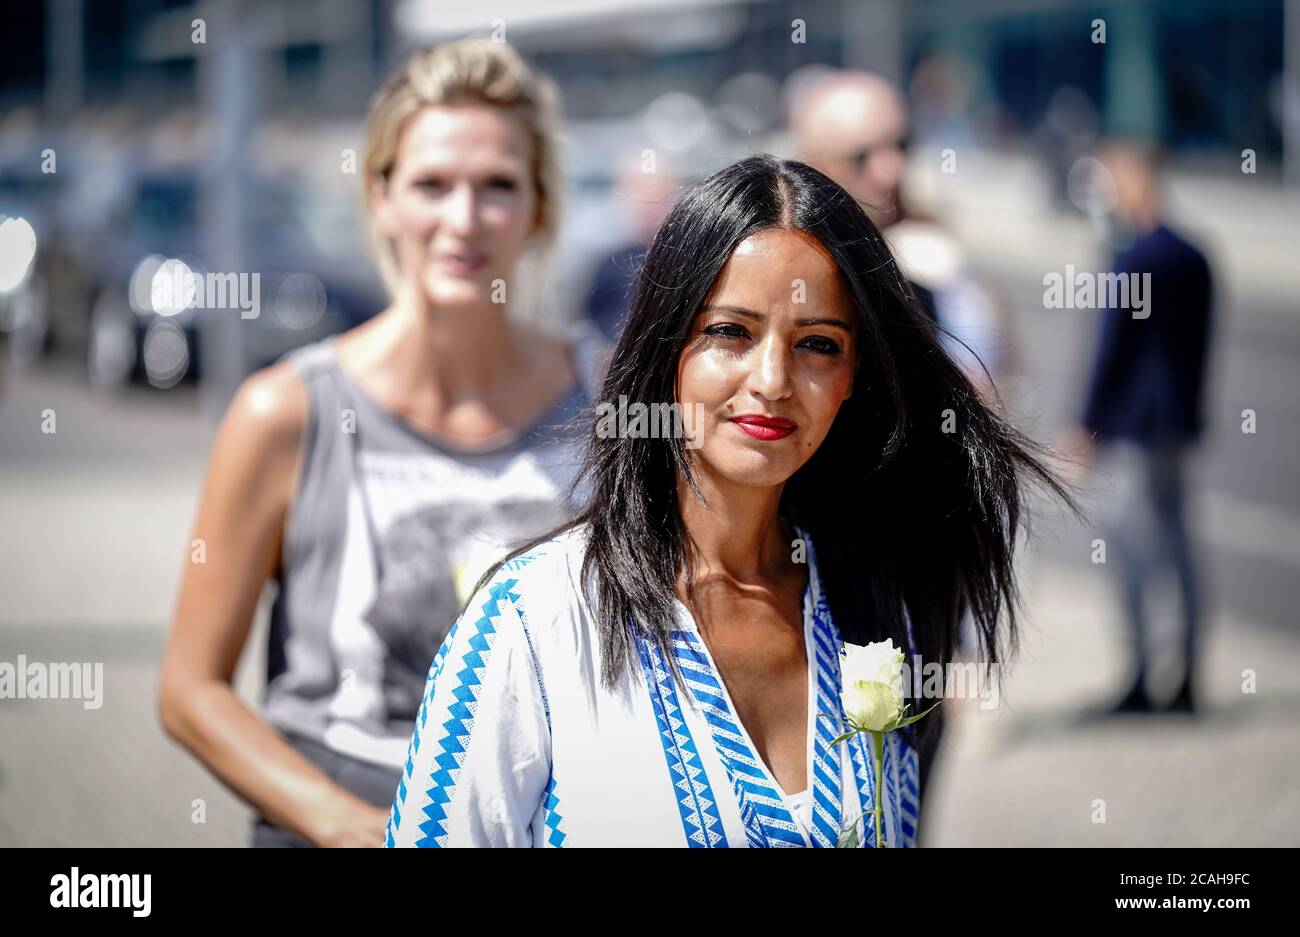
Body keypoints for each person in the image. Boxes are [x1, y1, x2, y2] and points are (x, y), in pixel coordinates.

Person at [385, 155, 1071, 848]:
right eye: (729, 332)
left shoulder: (876, 600)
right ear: (664, 349)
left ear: (851, 379)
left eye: (817, 344)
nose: (772, 379)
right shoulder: (535, 619)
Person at [158, 39, 606, 847]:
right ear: (382, 196)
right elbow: (190, 690)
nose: (462, 220)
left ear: (540, 207)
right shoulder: (286, 411)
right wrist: (346, 823)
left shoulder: (609, 395)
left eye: (497, 187)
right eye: (432, 184)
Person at [1067, 141, 1213, 715]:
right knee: (1178, 546)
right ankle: (1186, 675)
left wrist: (1086, 425)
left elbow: (1113, 352)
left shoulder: (1133, 258)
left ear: (1136, 182)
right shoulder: (1194, 255)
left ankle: (1141, 674)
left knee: (1130, 550)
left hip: (1132, 428)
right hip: (1176, 427)